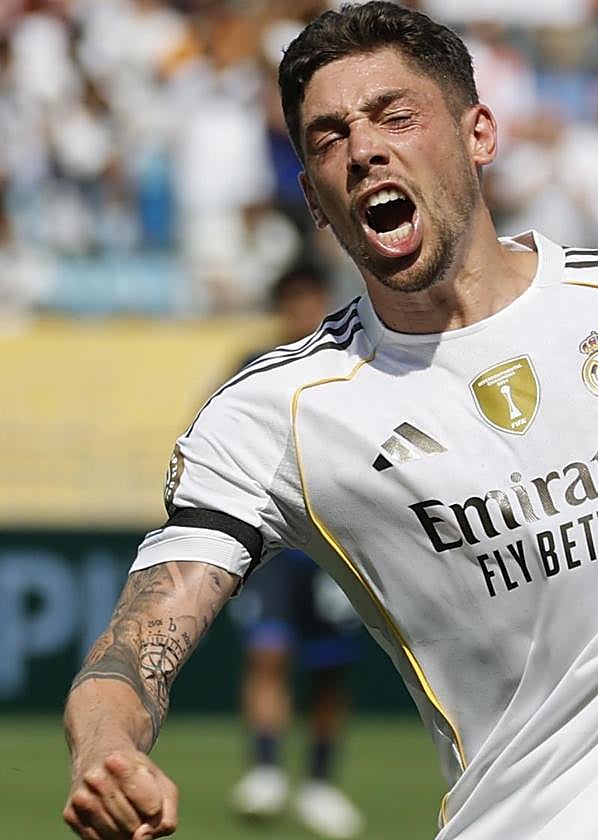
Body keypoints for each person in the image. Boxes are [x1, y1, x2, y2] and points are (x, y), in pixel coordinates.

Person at [61, 5, 598, 840]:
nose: (364, 148)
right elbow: (133, 649)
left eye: (395, 116)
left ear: (480, 132)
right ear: (312, 197)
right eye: (329, 138)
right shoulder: (273, 413)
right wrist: (106, 754)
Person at [230, 267, 365, 839]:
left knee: (330, 669)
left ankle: (319, 783)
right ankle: (264, 772)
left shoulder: (353, 364)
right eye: (293, 299)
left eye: (310, 297)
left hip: (335, 542)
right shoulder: (253, 368)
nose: (302, 308)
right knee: (268, 653)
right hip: (275, 541)